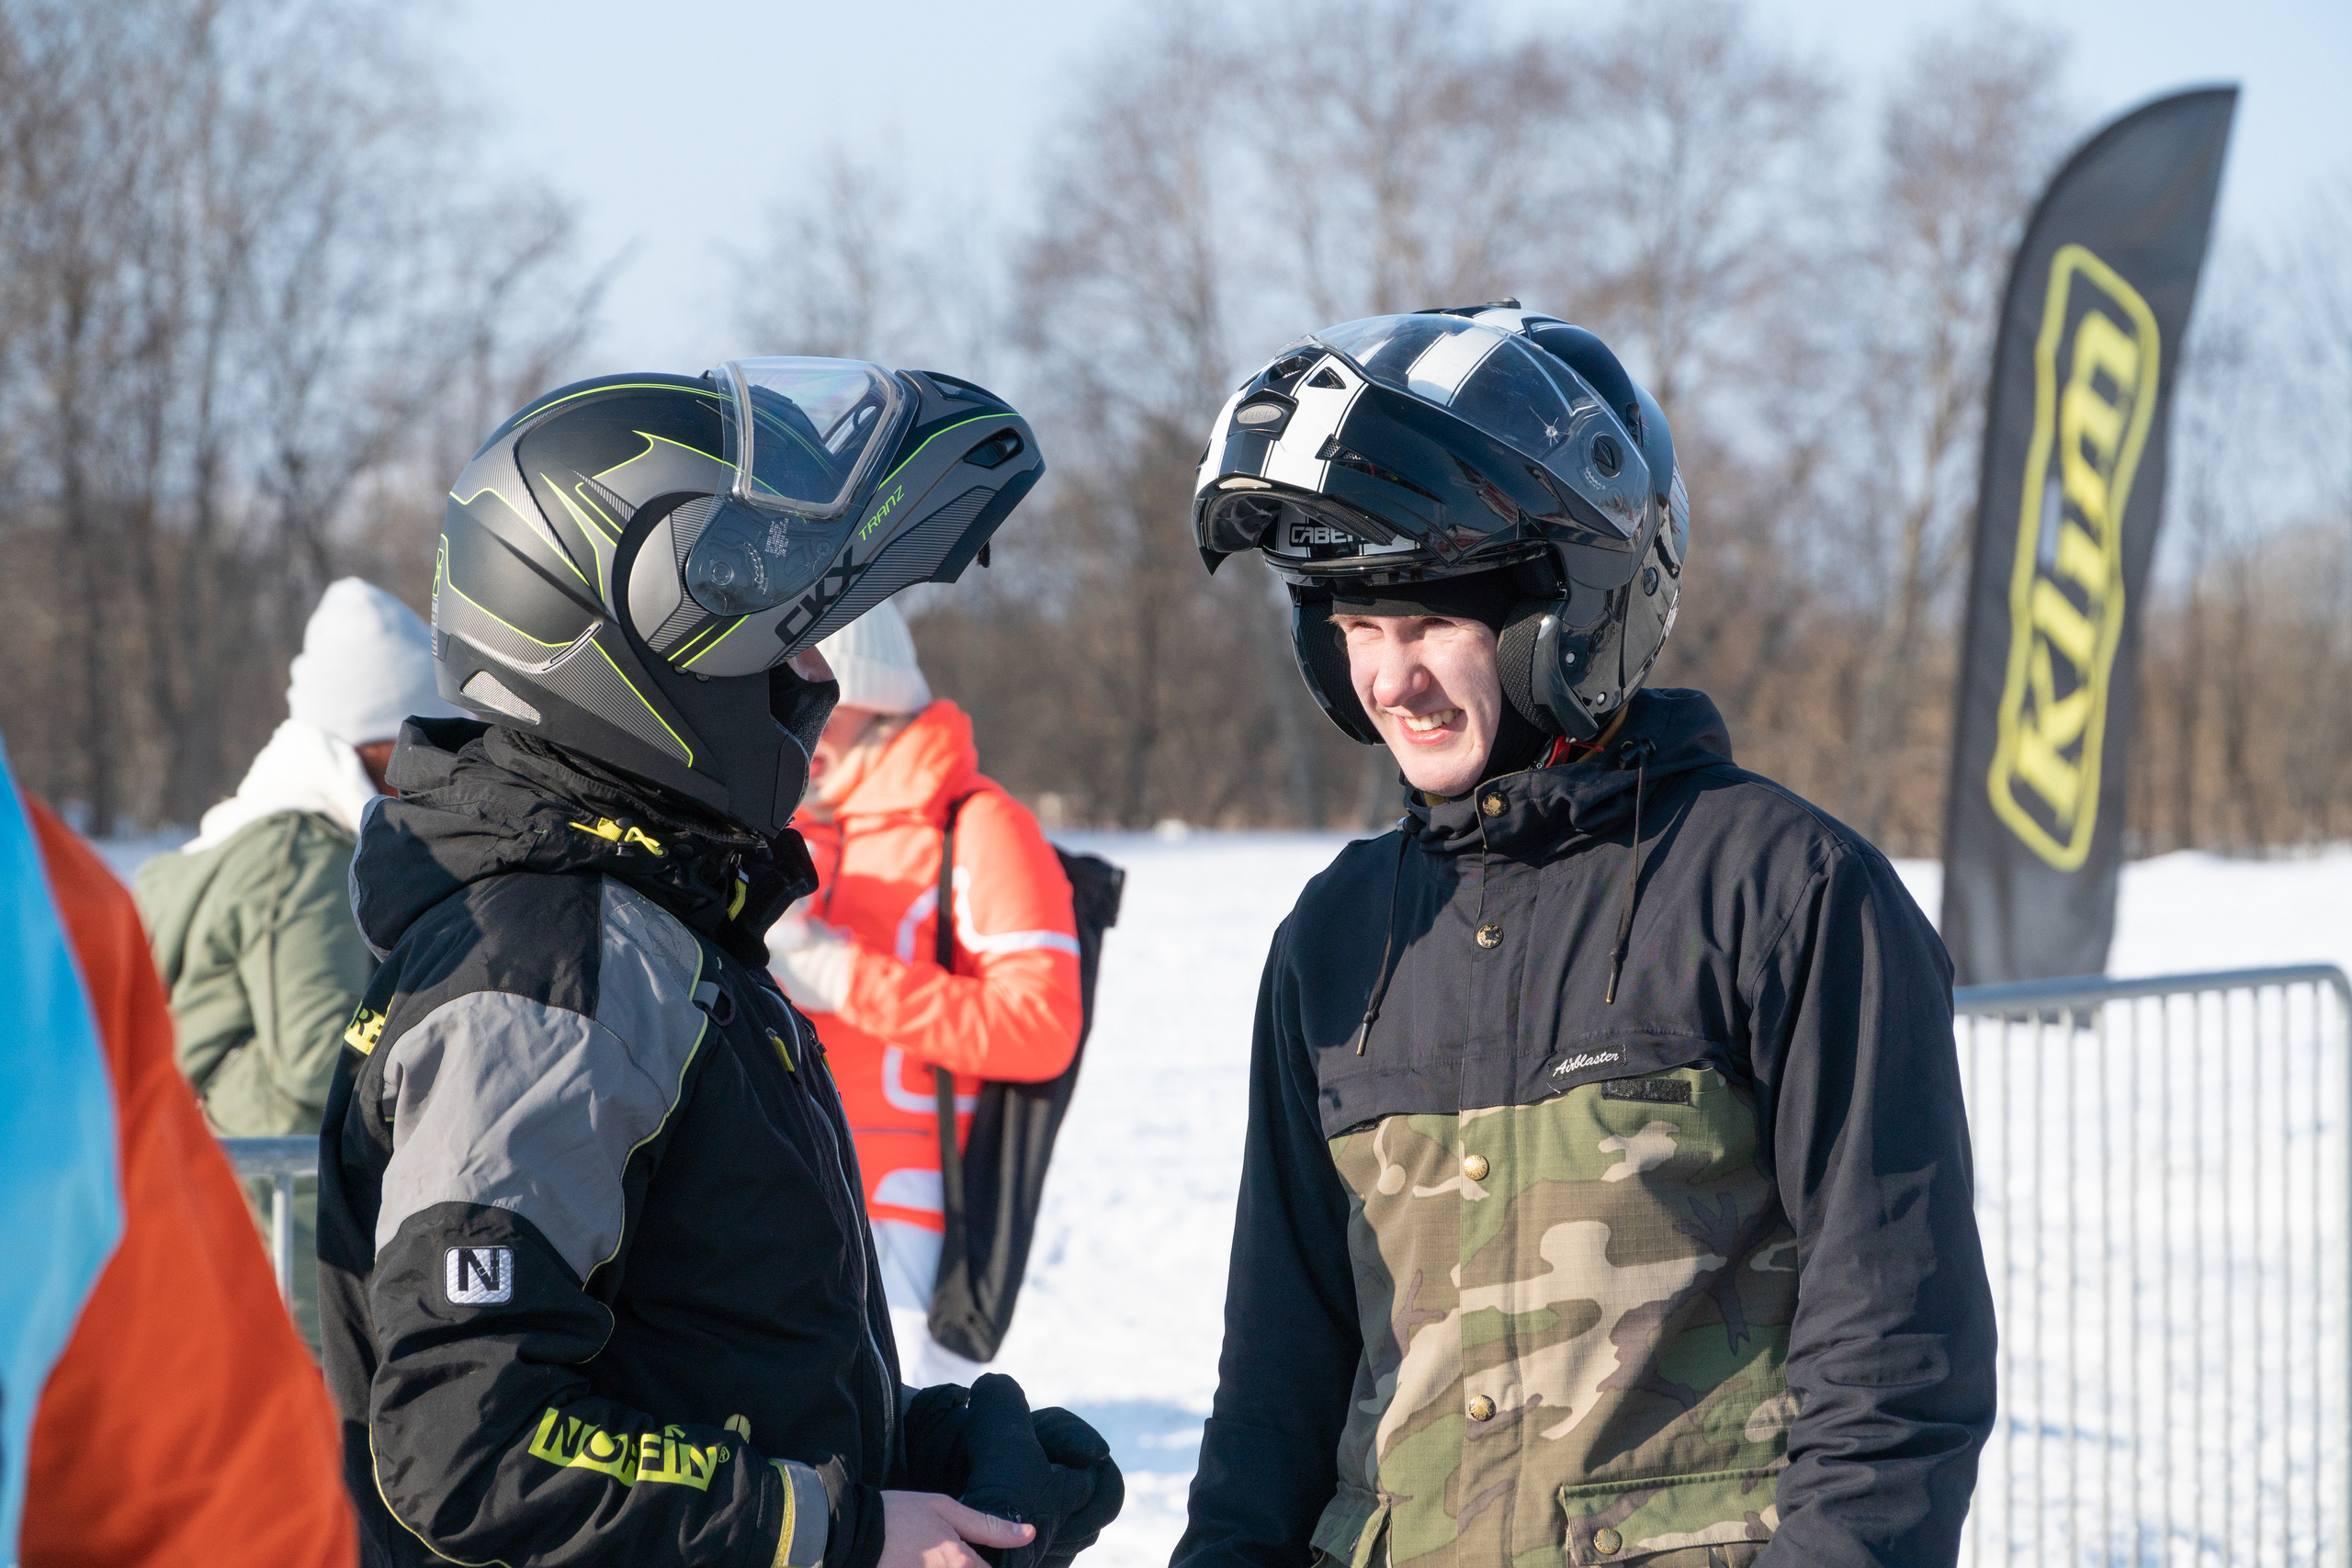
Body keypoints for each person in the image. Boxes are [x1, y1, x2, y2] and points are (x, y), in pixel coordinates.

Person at [1174, 306, 1995, 1568]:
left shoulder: (1786, 893)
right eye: (1357, 630)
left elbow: (1893, 1354)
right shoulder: (1337, 938)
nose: (1392, 682)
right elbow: (1274, 1379)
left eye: (1431, 623)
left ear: (1568, 617)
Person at [316, 362, 1118, 1568]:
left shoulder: (647, 926)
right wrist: (839, 1527)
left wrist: (924, 1457)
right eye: (781, 643)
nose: (815, 683)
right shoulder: (549, 969)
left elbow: (681, 1352)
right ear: (632, 650)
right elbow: (472, 1444)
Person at [0, 746, 353, 1566]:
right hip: (267, 1216)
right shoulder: (40, 896)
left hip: (208, 1184)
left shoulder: (98, 888)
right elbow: (225, 1502)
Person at [136, 575, 460, 1351]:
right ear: (376, 737)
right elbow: (318, 1060)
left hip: (222, 1220)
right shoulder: (302, 853)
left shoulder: (251, 837)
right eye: (416, 737)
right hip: (276, 1238)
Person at [765, 598, 1082, 1385]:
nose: (791, 722)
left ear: (864, 695)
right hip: (792, 1202)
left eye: (813, 702)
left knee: (904, 1459)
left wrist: (846, 976)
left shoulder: (979, 826)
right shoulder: (799, 825)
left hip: (915, 1227)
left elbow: (1041, 1022)